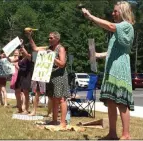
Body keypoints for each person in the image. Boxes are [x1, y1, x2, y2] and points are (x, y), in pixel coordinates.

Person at [82, 1, 135, 139]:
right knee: (111, 102)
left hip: (120, 69)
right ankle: (112, 133)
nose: (113, 13)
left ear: (123, 12)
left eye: (115, 11)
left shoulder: (126, 26)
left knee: (121, 101)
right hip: (111, 69)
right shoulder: (117, 32)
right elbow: (112, 51)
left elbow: (110, 26)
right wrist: (96, 55)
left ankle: (126, 134)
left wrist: (91, 16)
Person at [26, 31, 70, 128]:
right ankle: (54, 120)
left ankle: (62, 122)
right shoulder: (48, 48)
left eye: (51, 38)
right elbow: (35, 48)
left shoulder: (61, 49)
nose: (49, 40)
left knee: (61, 99)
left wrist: (53, 56)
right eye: (49, 38)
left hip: (60, 76)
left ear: (57, 39)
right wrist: (30, 37)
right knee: (53, 98)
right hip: (51, 76)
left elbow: (62, 64)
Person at [9, 42, 32, 114]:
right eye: (21, 49)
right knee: (17, 91)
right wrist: (6, 56)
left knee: (26, 93)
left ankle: (26, 109)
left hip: (26, 76)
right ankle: (19, 108)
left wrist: (22, 46)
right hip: (20, 76)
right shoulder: (20, 57)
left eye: (22, 49)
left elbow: (27, 55)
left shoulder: (29, 56)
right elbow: (11, 61)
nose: (21, 51)